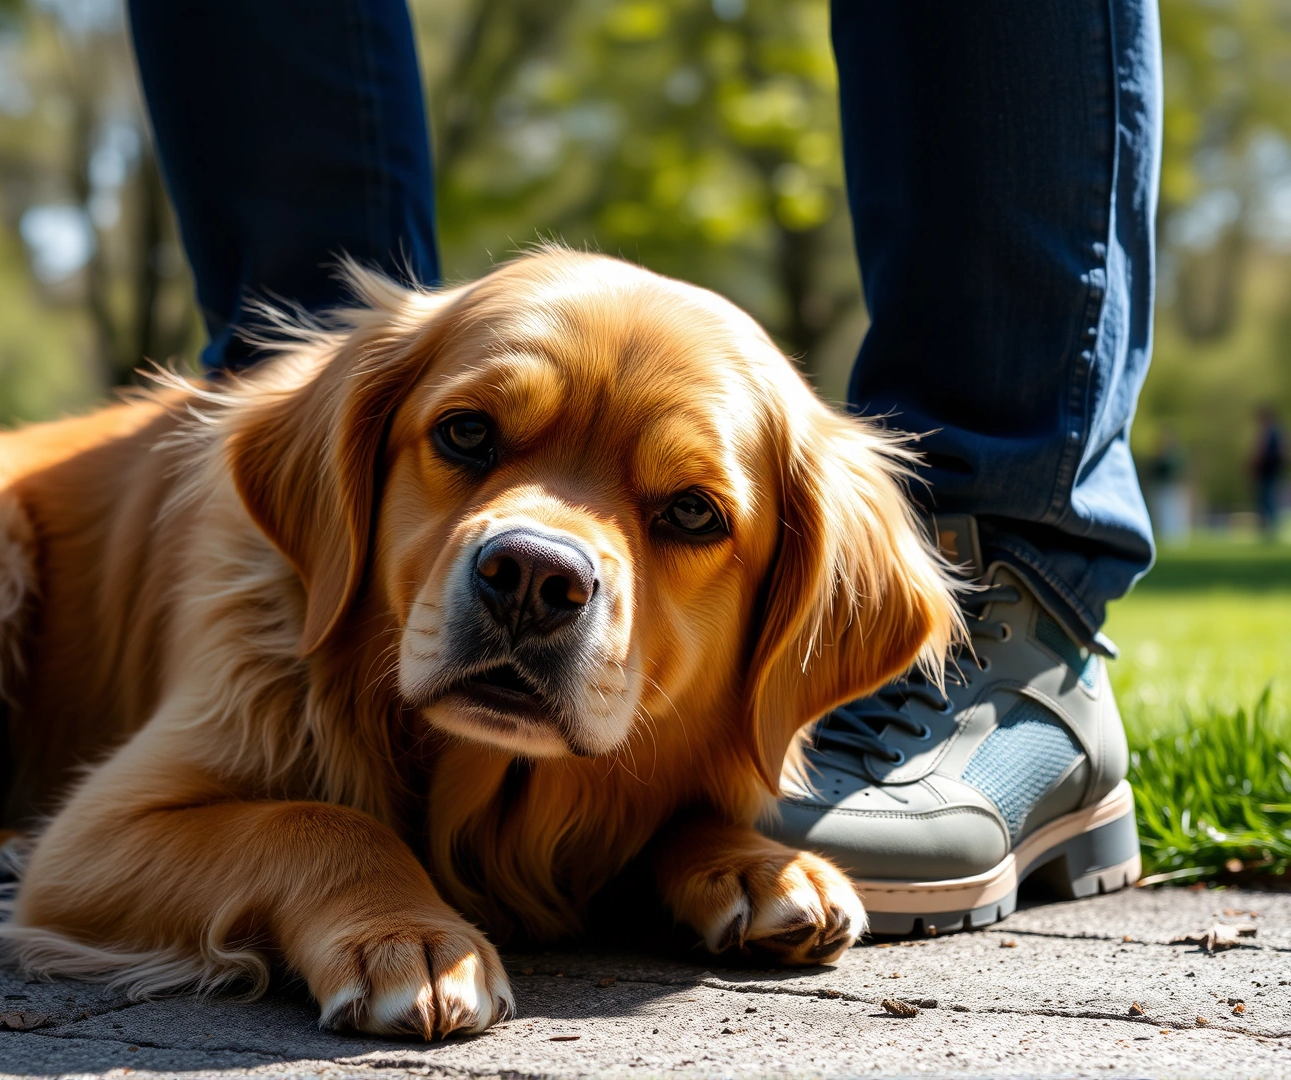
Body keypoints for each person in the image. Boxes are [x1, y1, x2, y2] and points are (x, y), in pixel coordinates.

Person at [128, 0, 1158, 934]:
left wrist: (699, 837)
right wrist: (336, 878)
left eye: (688, 515)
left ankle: (1014, 604)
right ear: (341, 478)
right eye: (472, 441)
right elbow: (91, 862)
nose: (541, 561)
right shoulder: (334, 456)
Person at [1147, 426, 1190, 544]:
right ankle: (1166, 536)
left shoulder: (1177, 455)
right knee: (1164, 512)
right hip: (1162, 488)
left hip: (1175, 488)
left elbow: (1183, 472)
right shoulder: (1158, 456)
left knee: (1175, 512)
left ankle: (1176, 538)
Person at [1252, 405, 1284, 541]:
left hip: (1269, 470)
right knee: (1266, 500)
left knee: (1267, 500)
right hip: (1268, 471)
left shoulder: (1271, 433)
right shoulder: (1274, 432)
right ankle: (1267, 529)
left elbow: (1263, 452)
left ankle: (1270, 530)